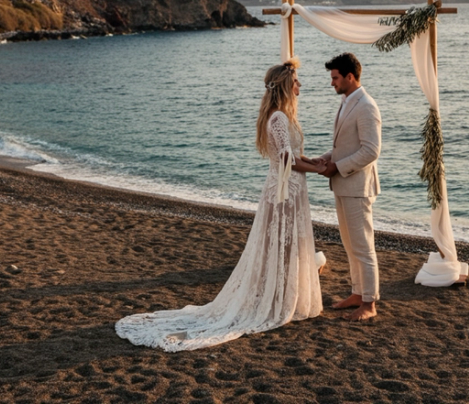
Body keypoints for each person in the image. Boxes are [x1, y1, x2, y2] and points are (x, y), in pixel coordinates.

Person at [115, 58, 324, 351]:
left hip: (289, 188)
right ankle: (276, 301)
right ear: (287, 86)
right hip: (283, 192)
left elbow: (289, 154)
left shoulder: (282, 116)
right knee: (280, 246)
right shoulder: (278, 117)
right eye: (296, 81)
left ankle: (283, 296)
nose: (300, 85)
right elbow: (287, 160)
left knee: (284, 246)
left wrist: (314, 161)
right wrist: (320, 170)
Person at [314, 52, 382, 321]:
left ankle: (370, 303)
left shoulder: (366, 106)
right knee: (349, 244)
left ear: (350, 77)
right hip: (343, 186)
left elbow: (371, 150)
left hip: (357, 187)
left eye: (335, 77)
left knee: (363, 247)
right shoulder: (347, 102)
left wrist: (337, 167)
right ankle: (357, 293)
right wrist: (326, 158)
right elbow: (346, 146)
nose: (332, 82)